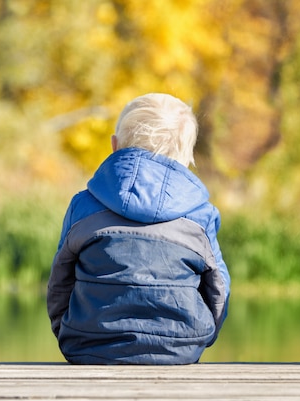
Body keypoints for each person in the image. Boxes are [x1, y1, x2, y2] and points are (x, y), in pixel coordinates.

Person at [47, 93, 231, 365]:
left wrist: (66, 331)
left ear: (114, 145)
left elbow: (60, 282)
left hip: (89, 347)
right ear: (187, 157)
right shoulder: (199, 215)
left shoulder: (83, 206)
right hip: (179, 350)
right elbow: (218, 289)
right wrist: (200, 338)